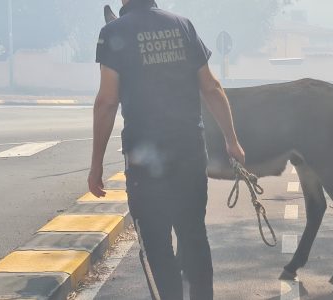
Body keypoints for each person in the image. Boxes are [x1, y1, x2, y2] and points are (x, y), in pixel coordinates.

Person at [88, 0, 245, 299]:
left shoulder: (113, 32)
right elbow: (211, 87)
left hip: (145, 157)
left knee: (156, 242)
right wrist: (232, 140)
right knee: (194, 235)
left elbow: (107, 101)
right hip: (189, 150)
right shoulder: (182, 25)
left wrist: (96, 165)